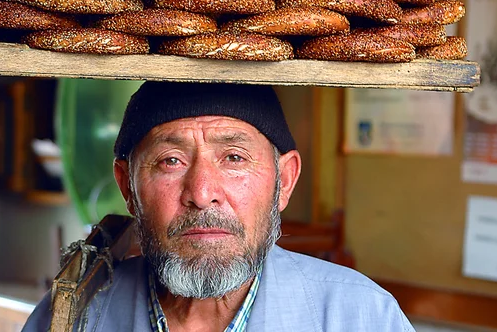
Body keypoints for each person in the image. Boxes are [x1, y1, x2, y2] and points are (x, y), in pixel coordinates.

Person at [23, 81, 415, 331]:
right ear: (128, 187)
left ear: (285, 181)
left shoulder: (361, 317)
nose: (202, 192)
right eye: (170, 161)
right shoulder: (75, 317)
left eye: (234, 158)